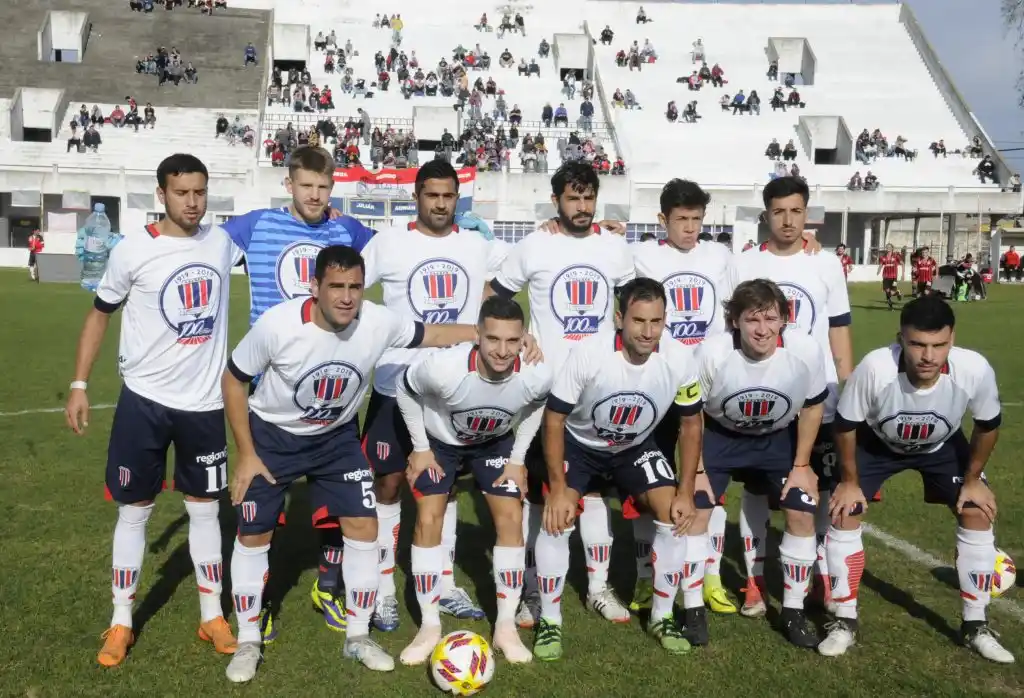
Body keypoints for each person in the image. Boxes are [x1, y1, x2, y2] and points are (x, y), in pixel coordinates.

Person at [221, 245, 522, 682]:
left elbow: (433, 334)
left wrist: (494, 335)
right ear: (315, 287)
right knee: (254, 533)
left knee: (364, 526)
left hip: (336, 438)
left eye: (355, 287)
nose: (347, 297)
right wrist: (246, 454)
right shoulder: (278, 325)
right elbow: (234, 378)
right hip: (273, 436)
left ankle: (358, 636)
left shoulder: (377, 321)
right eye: (336, 287)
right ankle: (248, 640)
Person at [64, 154, 239, 668]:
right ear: (162, 193)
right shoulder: (133, 250)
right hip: (143, 401)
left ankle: (212, 615)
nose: (193, 202)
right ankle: (121, 621)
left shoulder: (222, 242)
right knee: (134, 511)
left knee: (205, 510)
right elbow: (99, 316)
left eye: (200, 192)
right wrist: (79, 384)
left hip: (205, 405)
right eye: (182, 192)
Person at [220, 145, 376, 640]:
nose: (315, 195)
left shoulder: (346, 230)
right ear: (289, 184)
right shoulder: (255, 225)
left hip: (330, 390)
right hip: (273, 394)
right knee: (261, 511)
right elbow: (198, 247)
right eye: (306, 185)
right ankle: (256, 602)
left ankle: (327, 586)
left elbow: (402, 253)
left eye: (324, 186)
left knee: (342, 505)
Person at [821, 296, 1013, 664]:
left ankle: (976, 626)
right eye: (918, 344)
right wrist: (848, 480)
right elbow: (845, 427)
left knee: (977, 510)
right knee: (846, 511)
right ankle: (843, 620)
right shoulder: (875, 367)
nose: (928, 356)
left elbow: (988, 426)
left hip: (940, 445)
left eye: (939, 345)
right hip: (877, 444)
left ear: (952, 339)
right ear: (901, 339)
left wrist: (973, 479)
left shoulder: (974, 369)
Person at [360, 160, 509, 631]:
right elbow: (346, 291)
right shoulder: (387, 243)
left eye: (449, 196)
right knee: (386, 485)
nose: (441, 204)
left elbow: (511, 278)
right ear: (417, 196)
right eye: (432, 195)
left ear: (456, 198)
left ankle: (442, 583)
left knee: (443, 488)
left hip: (452, 388)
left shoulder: (475, 244)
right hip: (393, 384)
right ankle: (383, 587)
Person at [489, 162, 636, 634]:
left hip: (598, 386)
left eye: (589, 197)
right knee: (538, 491)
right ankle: (533, 590)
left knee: (591, 488)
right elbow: (496, 296)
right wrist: (518, 337)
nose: (583, 207)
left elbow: (634, 299)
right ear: (556, 200)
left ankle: (597, 586)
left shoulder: (614, 247)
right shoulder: (535, 243)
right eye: (573, 198)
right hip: (543, 386)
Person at [539, 277, 704, 658]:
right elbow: (554, 419)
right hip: (580, 446)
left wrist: (685, 490)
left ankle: (662, 616)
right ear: (619, 319)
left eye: (656, 322)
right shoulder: (589, 354)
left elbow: (692, 423)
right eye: (639, 321)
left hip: (634, 447)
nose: (648, 332)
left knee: (673, 514)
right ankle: (550, 621)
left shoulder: (679, 358)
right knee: (557, 516)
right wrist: (560, 486)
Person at [395, 296, 552, 665]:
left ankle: (506, 627)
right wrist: (419, 448)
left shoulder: (536, 373)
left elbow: (537, 404)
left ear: (523, 339)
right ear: (477, 335)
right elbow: (405, 389)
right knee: (428, 518)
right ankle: (429, 626)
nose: (502, 351)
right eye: (493, 339)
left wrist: (517, 460)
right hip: (440, 443)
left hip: (493, 443)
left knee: (511, 517)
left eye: (512, 341)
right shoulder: (443, 369)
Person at [686, 279, 828, 648]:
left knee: (800, 509)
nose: (762, 330)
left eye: (771, 318)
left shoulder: (806, 351)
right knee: (695, 511)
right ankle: (690, 609)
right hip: (719, 437)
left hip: (776, 440)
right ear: (734, 321)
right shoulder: (712, 352)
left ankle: (793, 611)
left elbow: (813, 406)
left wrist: (801, 465)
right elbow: (693, 414)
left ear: (785, 319)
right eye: (752, 320)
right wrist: (697, 470)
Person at [735, 176, 853, 617]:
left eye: (796, 211)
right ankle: (753, 578)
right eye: (779, 211)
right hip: (763, 395)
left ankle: (818, 573)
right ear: (766, 215)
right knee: (758, 490)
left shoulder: (826, 265)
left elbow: (839, 326)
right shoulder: (745, 264)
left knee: (818, 488)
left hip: (817, 398)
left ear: (807, 214)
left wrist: (847, 382)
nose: (788, 220)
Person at [629, 179, 738, 615]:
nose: (690, 228)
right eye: (681, 220)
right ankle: (644, 578)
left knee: (708, 485)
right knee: (649, 484)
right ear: (663, 220)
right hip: (656, 385)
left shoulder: (719, 256)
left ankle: (708, 576)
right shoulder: (644, 256)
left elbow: (731, 315)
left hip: (707, 389)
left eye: (697, 219)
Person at [877, 243, 904, 310]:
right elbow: (881, 264)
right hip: (886, 276)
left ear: (892, 248)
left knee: (892, 293)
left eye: (889, 247)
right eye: (887, 247)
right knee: (887, 291)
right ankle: (890, 306)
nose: (888, 248)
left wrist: (903, 274)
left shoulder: (896, 256)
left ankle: (897, 292)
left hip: (894, 277)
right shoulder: (883, 256)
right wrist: (879, 270)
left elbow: (902, 264)